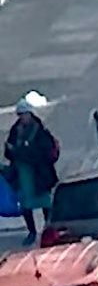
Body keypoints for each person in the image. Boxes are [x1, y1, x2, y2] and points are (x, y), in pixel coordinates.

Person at [4, 95, 60, 245]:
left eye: (25, 114)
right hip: (23, 175)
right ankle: (32, 231)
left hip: (39, 174)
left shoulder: (40, 131)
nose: (23, 118)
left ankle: (49, 230)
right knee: (25, 204)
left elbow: (41, 152)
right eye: (20, 115)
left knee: (45, 203)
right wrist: (14, 151)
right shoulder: (15, 131)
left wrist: (20, 151)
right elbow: (9, 151)